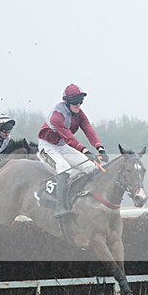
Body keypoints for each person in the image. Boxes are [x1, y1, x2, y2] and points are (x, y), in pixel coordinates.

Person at [37, 84, 109, 218]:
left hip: (62, 146)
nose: (78, 105)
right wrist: (87, 152)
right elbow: (69, 138)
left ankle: (81, 199)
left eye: (81, 101)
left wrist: (100, 148)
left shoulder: (79, 114)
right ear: (67, 101)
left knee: (91, 167)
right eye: (75, 101)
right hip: (47, 147)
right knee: (64, 168)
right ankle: (60, 207)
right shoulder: (57, 117)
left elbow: (88, 129)